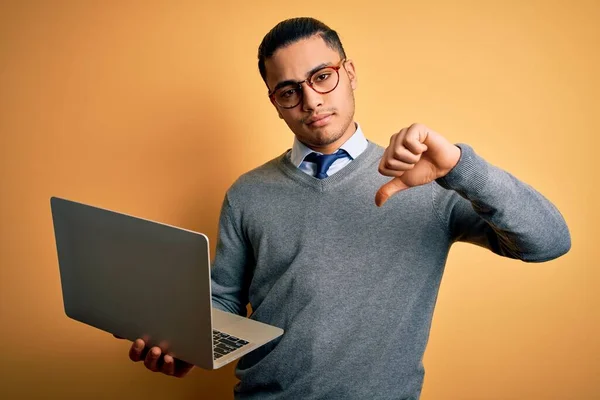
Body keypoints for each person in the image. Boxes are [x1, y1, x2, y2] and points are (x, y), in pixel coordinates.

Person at [121, 17, 571, 399]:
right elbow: (224, 301)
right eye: (288, 91)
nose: (312, 101)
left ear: (350, 72)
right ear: (275, 103)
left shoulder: (429, 176)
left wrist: (458, 164)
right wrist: (188, 346)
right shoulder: (248, 193)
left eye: (322, 77)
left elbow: (549, 241)